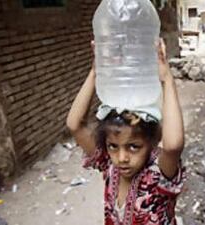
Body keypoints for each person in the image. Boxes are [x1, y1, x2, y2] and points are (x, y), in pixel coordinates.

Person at [66, 39, 186, 225]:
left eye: (134, 147)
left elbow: (173, 146)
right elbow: (75, 125)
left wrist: (167, 80)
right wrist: (95, 72)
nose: (121, 157)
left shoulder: (157, 176)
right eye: (113, 146)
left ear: (151, 143)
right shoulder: (110, 167)